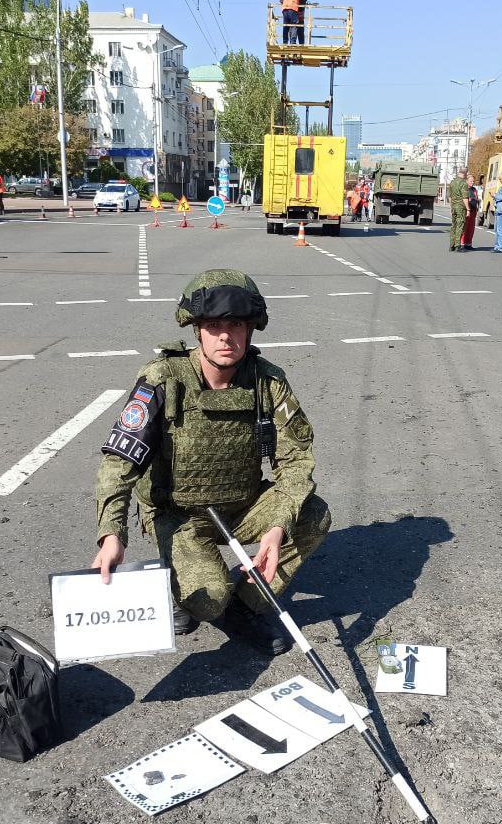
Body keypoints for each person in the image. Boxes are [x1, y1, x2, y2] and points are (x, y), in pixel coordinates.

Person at [92, 269, 331, 656]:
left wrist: (277, 525)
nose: (225, 336)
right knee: (208, 599)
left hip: (243, 505)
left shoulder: (268, 382)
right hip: (179, 515)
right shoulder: (162, 379)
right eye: (213, 325)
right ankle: (188, 591)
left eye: (236, 324)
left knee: (314, 514)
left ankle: (248, 605)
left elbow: (297, 459)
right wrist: (112, 535)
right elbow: (119, 462)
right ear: (196, 329)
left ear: (251, 329)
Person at [447, 168, 470, 252]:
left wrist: (451, 206)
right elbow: (465, 198)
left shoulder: (452, 182)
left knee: (454, 225)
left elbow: (449, 196)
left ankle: (451, 245)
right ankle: (457, 245)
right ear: (465, 174)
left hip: (454, 207)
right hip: (461, 207)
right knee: (460, 226)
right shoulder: (464, 183)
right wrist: (468, 209)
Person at [461, 180, 480, 250]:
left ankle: (468, 244)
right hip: (466, 211)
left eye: (473, 181)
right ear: (467, 181)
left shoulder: (474, 189)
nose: (472, 182)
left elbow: (476, 198)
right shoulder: (464, 188)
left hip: (473, 210)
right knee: (464, 228)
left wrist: (477, 203)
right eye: (471, 181)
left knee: (471, 229)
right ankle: (462, 244)